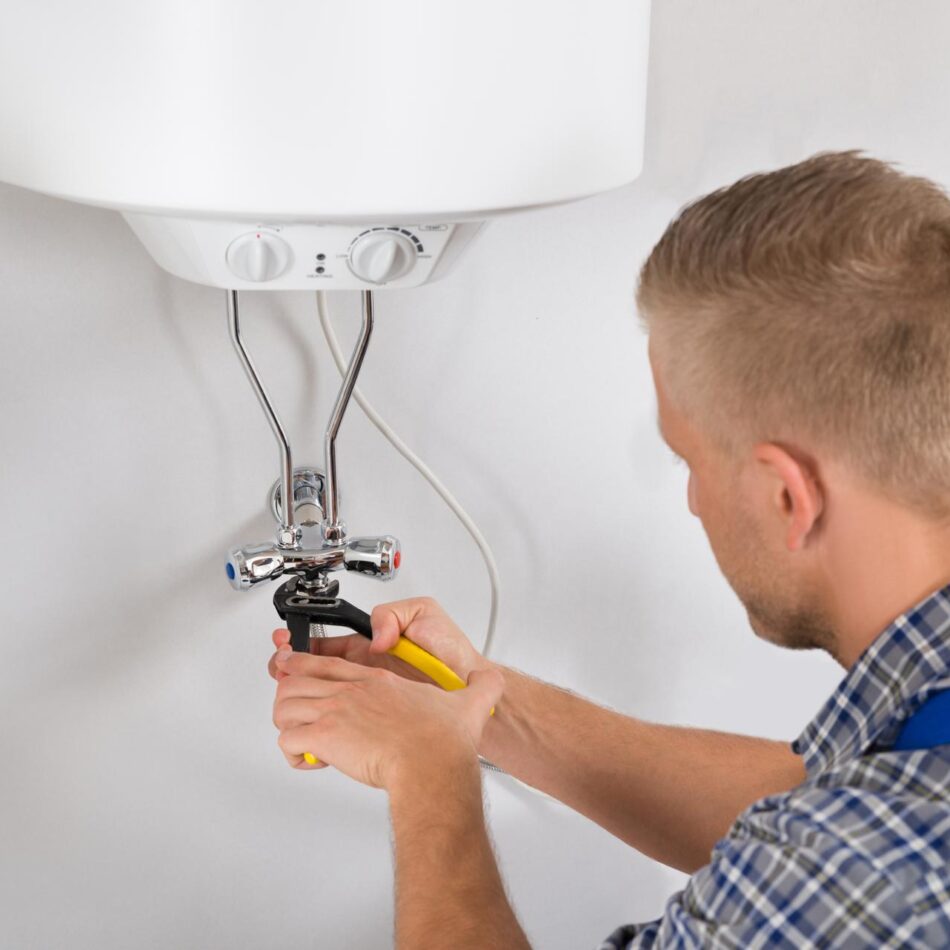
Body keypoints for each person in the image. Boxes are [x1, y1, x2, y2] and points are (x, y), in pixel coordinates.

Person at [267, 151, 950, 948]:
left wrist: (428, 777)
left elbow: (832, 857)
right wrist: (481, 703)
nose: (694, 501)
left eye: (689, 462)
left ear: (785, 497)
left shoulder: (866, 872)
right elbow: (814, 796)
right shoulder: (897, 781)